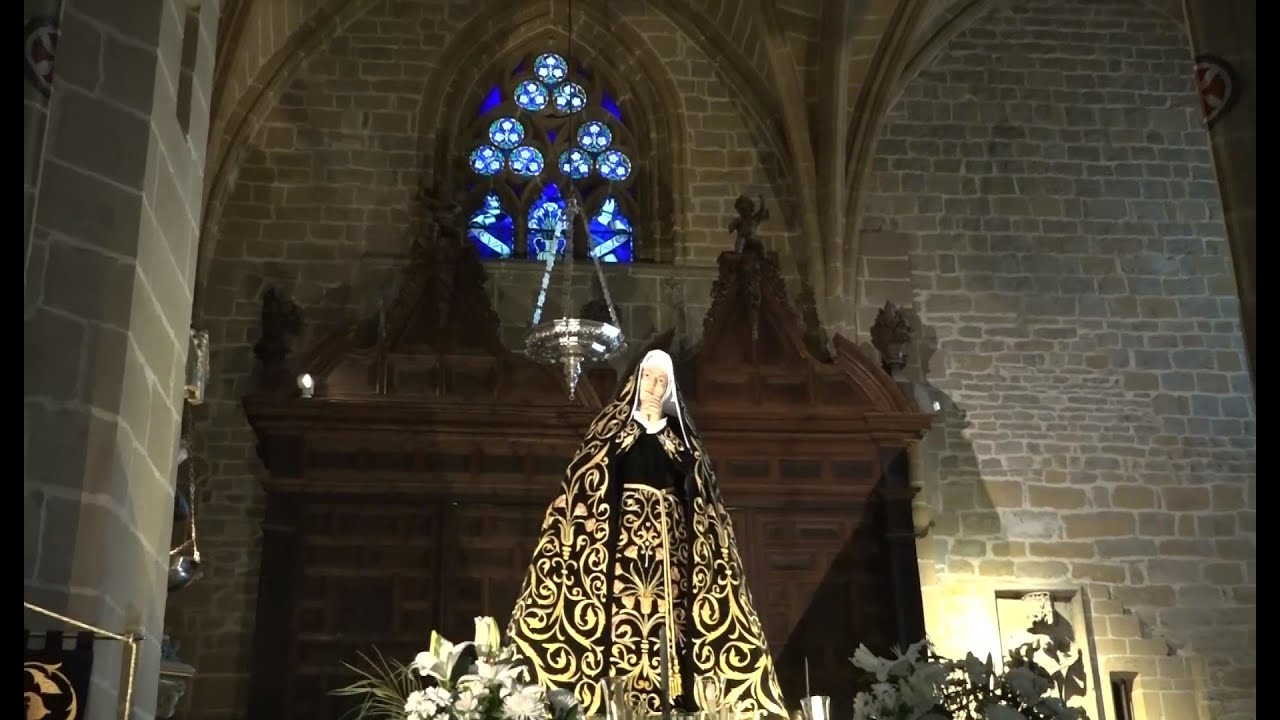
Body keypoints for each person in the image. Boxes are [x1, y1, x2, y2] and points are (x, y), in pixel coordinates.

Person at [506, 350, 787, 718]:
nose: (654, 387)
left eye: (661, 381)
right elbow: (587, 483)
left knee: (672, 627)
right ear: (637, 383)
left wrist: (676, 455)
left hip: (670, 553)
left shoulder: (682, 438)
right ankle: (615, 701)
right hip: (620, 551)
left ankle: (675, 699)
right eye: (649, 379)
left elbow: (701, 495)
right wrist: (622, 446)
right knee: (618, 621)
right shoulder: (611, 431)